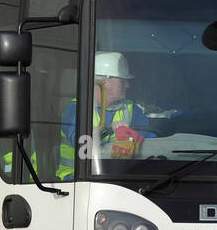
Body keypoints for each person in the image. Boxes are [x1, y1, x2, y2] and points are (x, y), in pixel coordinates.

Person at [57, 51, 153, 179]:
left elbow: (151, 141)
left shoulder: (131, 109)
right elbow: (81, 142)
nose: (128, 85)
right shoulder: (75, 109)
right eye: (122, 81)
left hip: (117, 178)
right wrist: (108, 129)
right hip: (75, 181)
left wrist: (133, 140)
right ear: (104, 81)